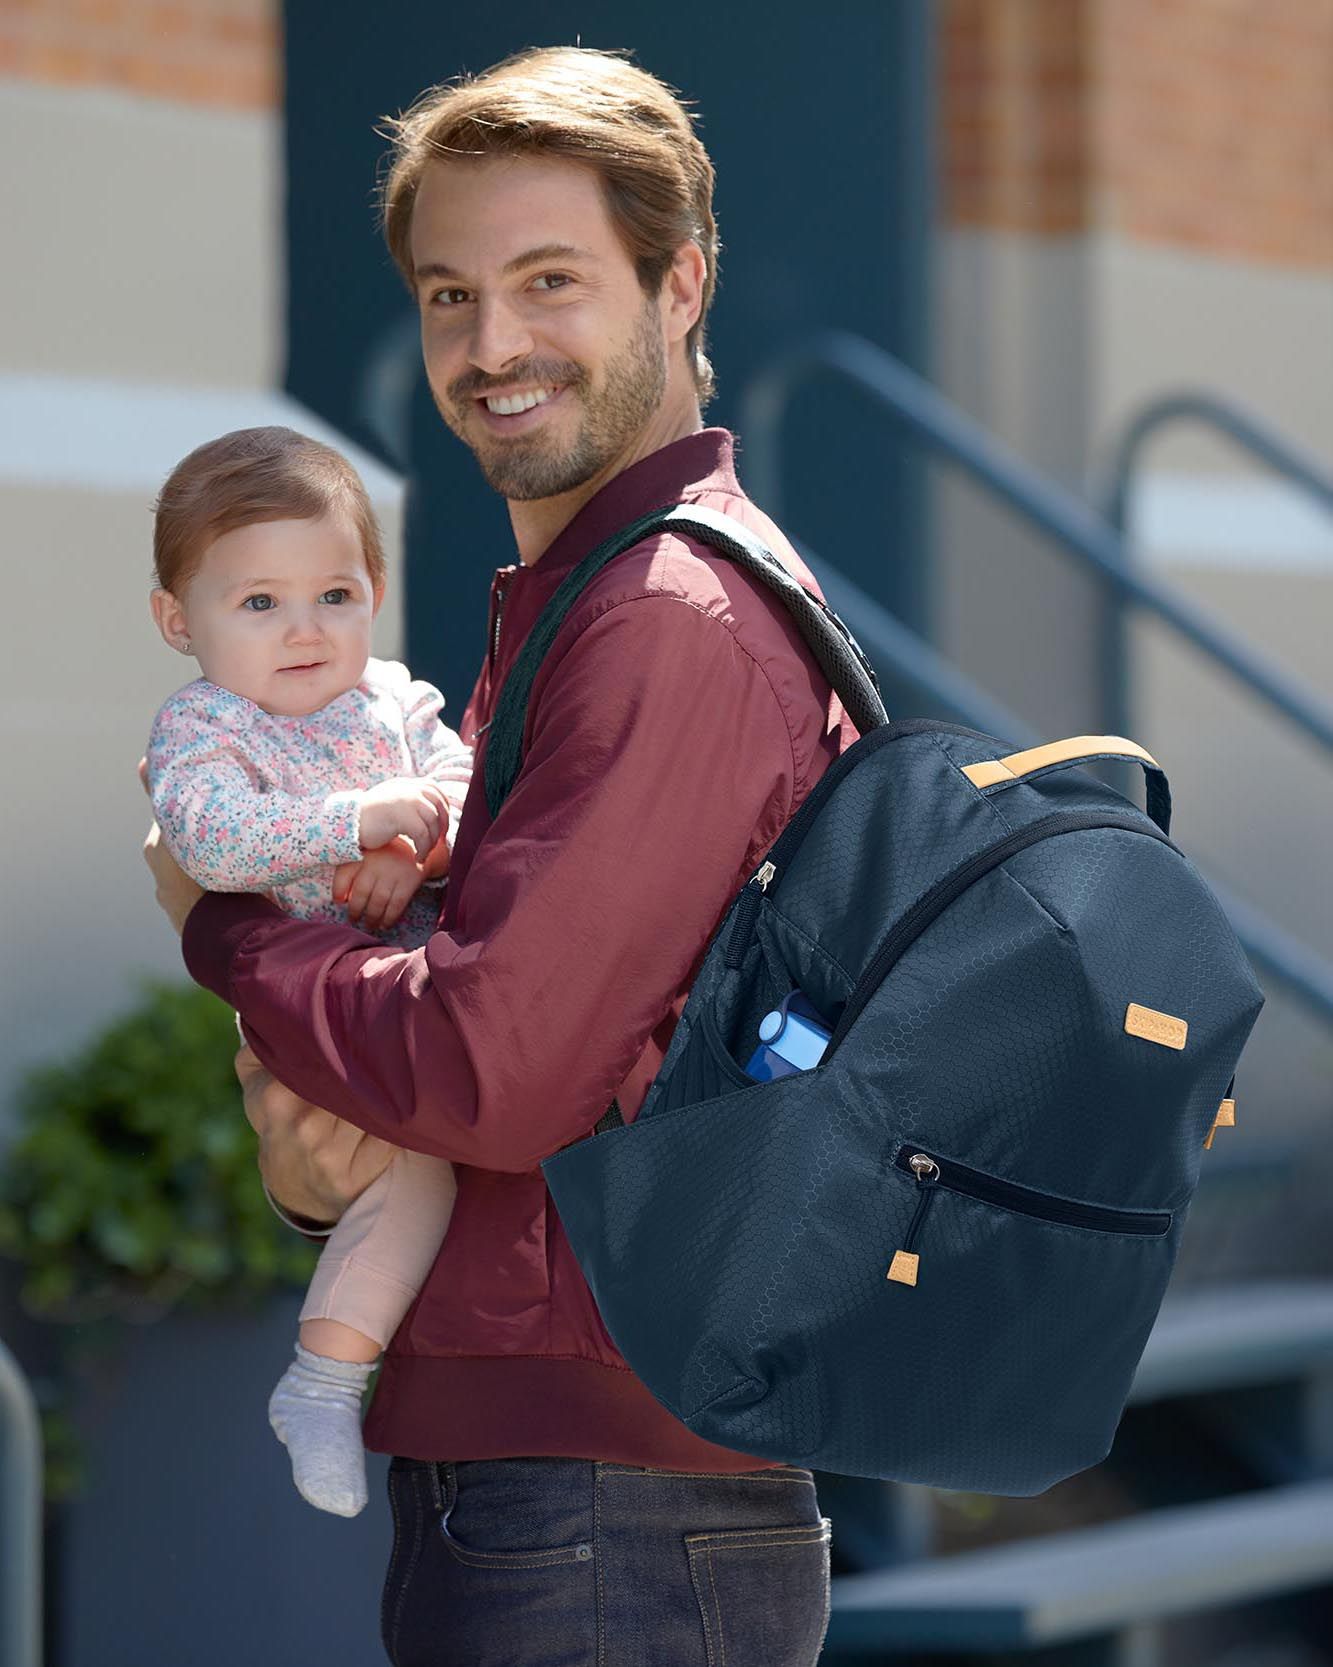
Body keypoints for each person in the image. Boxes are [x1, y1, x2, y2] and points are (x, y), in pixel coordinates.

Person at [143, 44, 854, 1667]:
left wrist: (226, 928)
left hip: (605, 1506)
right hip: (564, 1484)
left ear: (680, 284)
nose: (492, 344)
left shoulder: (668, 620)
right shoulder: (573, 610)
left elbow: (489, 1066)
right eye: (449, 295)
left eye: (549, 281)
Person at [144, 426, 471, 1518]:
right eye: (258, 604)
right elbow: (209, 842)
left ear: (376, 588)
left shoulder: (397, 699)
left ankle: (327, 1380)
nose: (304, 630)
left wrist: (413, 843)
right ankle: (329, 1382)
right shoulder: (208, 724)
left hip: (417, 988)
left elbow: (472, 796)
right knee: (404, 1174)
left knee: (429, 1176)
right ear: (175, 620)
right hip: (312, 1018)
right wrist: (350, 824)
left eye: (334, 592)